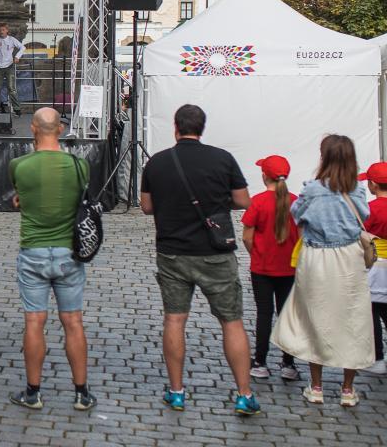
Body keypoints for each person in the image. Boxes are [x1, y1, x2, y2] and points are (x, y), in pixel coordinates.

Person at [140, 104, 259, 415]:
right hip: (215, 253)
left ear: (176, 129)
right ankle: (244, 394)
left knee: (175, 319)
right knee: (232, 322)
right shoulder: (222, 158)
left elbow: (146, 206)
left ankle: (177, 391)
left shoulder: (158, 163)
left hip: (173, 252)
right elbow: (243, 200)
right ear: (202, 128)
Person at [271, 135, 374, 406]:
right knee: (352, 319)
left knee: (315, 318)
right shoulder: (357, 190)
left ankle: (316, 387)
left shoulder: (313, 189)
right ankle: (347, 390)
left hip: (317, 256)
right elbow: (364, 216)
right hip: (349, 257)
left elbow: (296, 214)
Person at [8, 108, 94, 410]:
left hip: (33, 249)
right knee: (73, 321)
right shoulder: (79, 165)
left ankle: (33, 392)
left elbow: (22, 197)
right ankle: (82, 392)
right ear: (60, 129)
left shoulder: (19, 165)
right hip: (69, 251)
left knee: (34, 320)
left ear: (33, 128)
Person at [240, 155, 299, 381]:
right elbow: (302, 236)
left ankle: (261, 361)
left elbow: (247, 236)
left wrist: (256, 254)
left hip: (262, 268)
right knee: (287, 314)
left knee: (264, 314)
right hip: (289, 269)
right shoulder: (296, 201)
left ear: (264, 176)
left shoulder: (258, 201)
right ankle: (288, 363)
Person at [362, 162, 387, 375]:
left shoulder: (370, 210)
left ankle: (377, 357)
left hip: (376, 266)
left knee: (372, 313)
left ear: (372, 185)